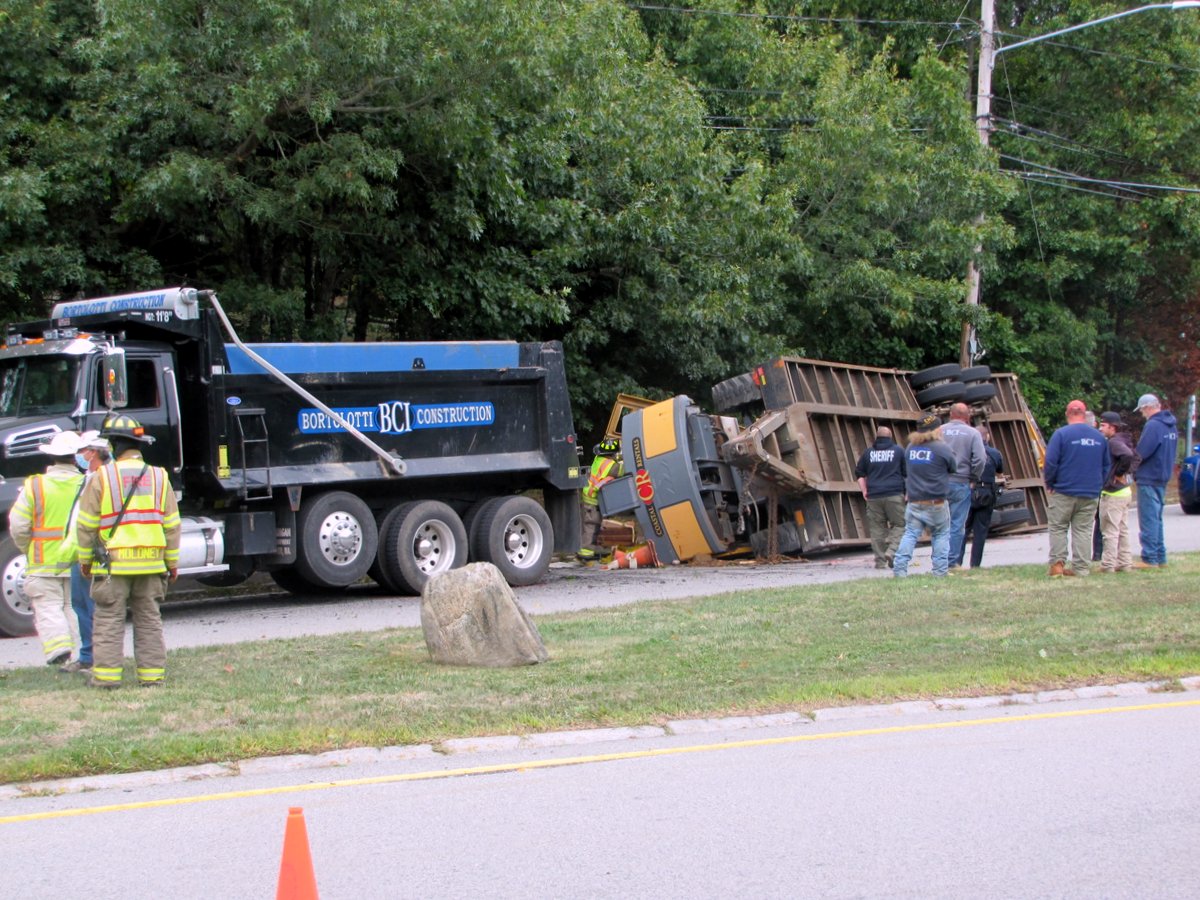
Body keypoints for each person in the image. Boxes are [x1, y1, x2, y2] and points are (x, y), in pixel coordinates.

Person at [76, 414, 181, 689]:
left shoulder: (102, 477)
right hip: (151, 563)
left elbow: (86, 524)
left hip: (113, 565)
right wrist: (171, 562)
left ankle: (107, 679)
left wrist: (85, 561)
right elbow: (171, 524)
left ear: (114, 445)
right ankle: (152, 677)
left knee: (109, 619)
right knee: (149, 619)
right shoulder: (160, 477)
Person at [8, 430, 86, 667]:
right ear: (76, 457)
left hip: (43, 563)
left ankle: (59, 649)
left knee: (48, 606)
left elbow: (19, 526)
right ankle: (80, 654)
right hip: (77, 561)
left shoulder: (35, 486)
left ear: (51, 457)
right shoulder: (86, 483)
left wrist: (27, 548)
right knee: (74, 608)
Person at [1043, 400, 1110, 577]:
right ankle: (1081, 569)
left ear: (1067, 414)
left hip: (1064, 490)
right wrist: (1098, 484)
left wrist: (1050, 483)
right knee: (1083, 530)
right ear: (1084, 413)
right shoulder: (1098, 438)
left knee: (1058, 527)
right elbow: (1106, 466)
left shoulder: (1061, 435)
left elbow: (1050, 462)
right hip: (1090, 492)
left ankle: (1057, 565)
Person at [65, 430, 112, 675]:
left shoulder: (100, 479)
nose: (78, 456)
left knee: (91, 605)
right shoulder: (92, 477)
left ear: (92, 452)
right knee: (81, 603)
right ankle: (89, 655)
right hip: (84, 550)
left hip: (94, 552)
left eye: (82, 450)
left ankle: (94, 657)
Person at [892, 414, 957, 578]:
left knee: (910, 533)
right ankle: (940, 572)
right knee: (941, 534)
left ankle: (899, 570)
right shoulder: (942, 448)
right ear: (937, 429)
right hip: (936, 501)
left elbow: (907, 471)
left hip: (915, 500)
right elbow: (953, 467)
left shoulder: (910, 448)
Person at [1132, 393, 1178, 569]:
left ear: (1147, 407)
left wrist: (1131, 468)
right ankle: (1161, 557)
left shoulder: (1153, 425)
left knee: (1149, 519)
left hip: (1149, 476)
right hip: (1163, 475)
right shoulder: (1171, 425)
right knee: (1157, 518)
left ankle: (1149, 558)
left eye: (1142, 410)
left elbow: (1142, 452)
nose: (1142, 414)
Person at [938, 402, 986, 571]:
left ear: (950, 415)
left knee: (940, 523)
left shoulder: (939, 431)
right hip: (961, 482)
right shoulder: (973, 433)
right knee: (957, 524)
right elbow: (980, 459)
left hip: (939, 483)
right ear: (968, 417)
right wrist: (974, 477)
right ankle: (951, 562)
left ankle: (938, 560)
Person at [854, 426, 906, 569]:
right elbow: (906, 474)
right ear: (890, 437)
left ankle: (880, 562)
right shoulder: (899, 451)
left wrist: (864, 490)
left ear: (876, 438)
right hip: (895, 494)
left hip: (874, 496)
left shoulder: (868, 453)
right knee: (901, 525)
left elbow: (859, 473)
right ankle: (892, 551)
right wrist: (907, 492)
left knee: (877, 529)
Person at [1097, 411, 1138, 574]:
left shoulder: (1114, 442)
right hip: (1125, 492)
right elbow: (1137, 458)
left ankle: (1108, 565)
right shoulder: (1124, 440)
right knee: (1123, 530)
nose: (1100, 428)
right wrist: (1128, 474)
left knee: (1110, 531)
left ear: (1112, 427)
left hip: (1113, 494)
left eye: (1103, 425)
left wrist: (1119, 474)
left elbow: (1127, 456)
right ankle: (1125, 563)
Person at [962, 424, 1004, 569]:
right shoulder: (995, 453)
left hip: (968, 492)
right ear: (987, 437)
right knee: (980, 531)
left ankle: (956, 563)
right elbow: (1000, 473)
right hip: (986, 493)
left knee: (962, 529)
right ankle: (975, 565)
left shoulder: (966, 452)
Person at [577, 438, 622, 562]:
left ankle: (594, 549)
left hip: (588, 494)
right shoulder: (613, 465)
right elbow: (620, 471)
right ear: (613, 454)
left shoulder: (598, 459)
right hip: (593, 498)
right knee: (591, 525)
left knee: (593, 524)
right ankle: (585, 552)